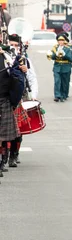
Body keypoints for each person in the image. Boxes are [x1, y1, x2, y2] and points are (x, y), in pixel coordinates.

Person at [7, 33, 38, 167]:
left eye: (15, 45)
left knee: (19, 128)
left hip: (21, 96)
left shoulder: (25, 60)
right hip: (6, 96)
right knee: (6, 128)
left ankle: (14, 154)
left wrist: (34, 95)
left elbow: (32, 78)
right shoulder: (4, 57)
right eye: (11, 44)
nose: (13, 47)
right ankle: (5, 155)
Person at [0, 46, 20, 180]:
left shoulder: (7, 57)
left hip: (4, 99)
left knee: (2, 136)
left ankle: (3, 160)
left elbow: (16, 76)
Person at [48, 32, 72, 102]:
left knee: (65, 82)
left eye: (62, 40)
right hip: (57, 66)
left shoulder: (68, 48)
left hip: (66, 66)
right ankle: (57, 95)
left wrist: (65, 55)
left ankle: (64, 95)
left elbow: (71, 58)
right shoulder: (55, 48)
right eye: (59, 40)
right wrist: (55, 54)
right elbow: (52, 57)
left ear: (64, 41)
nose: (61, 42)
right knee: (57, 81)